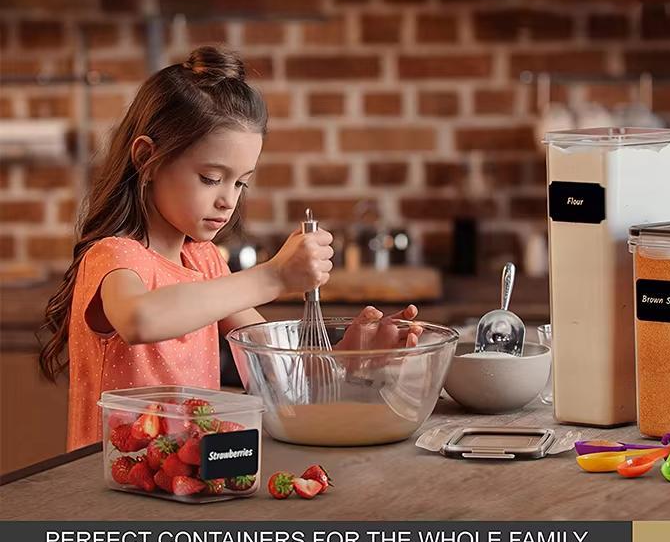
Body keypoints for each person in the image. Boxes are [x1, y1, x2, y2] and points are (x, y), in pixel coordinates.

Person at [39, 46, 421, 450]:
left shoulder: (203, 261)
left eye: (240, 182)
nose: (228, 200)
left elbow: (278, 368)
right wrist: (273, 276)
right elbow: (140, 320)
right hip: (112, 492)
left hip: (188, 481)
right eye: (210, 178)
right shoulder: (113, 256)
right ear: (147, 159)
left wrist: (347, 360)